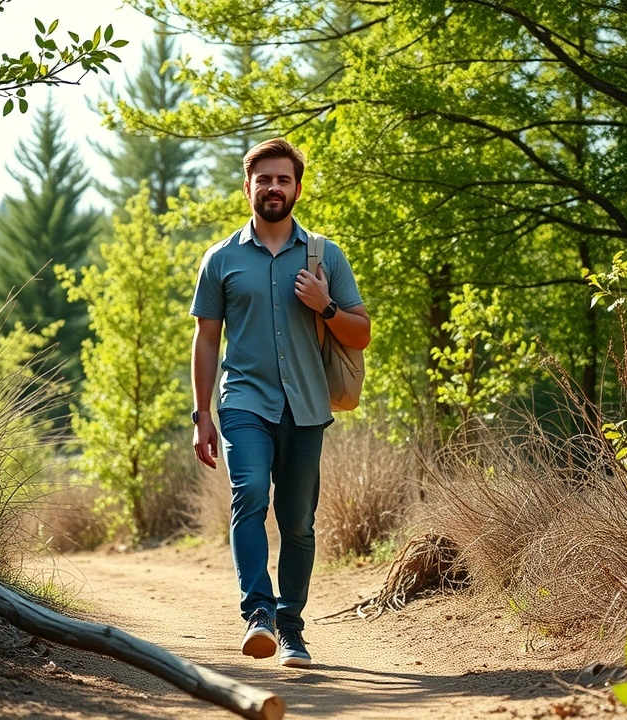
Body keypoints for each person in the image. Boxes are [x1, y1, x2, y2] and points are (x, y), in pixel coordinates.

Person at [189, 137, 370, 668]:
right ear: (247, 186)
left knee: (297, 522)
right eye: (263, 178)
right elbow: (206, 340)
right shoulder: (221, 259)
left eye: (283, 179)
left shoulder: (324, 255)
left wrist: (326, 304)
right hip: (242, 400)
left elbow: (359, 335)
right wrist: (202, 415)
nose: (273, 187)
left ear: (296, 188)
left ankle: (292, 629)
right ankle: (259, 616)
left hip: (307, 405)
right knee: (248, 496)